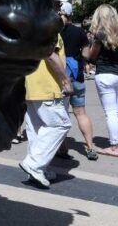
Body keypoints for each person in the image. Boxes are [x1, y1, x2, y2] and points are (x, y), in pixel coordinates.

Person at [19, 22, 74, 188]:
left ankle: (37, 169)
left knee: (37, 128)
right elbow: (50, 54)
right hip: (47, 85)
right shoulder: (49, 27)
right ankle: (35, 164)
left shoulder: (29, 27)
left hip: (31, 84)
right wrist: (66, 81)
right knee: (60, 125)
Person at [83, 4, 118, 158]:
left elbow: (92, 56)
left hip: (105, 74)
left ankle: (114, 146)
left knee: (110, 112)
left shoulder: (100, 34)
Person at [57, 2, 99, 161]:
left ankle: (62, 148)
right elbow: (87, 55)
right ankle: (90, 147)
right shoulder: (80, 32)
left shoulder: (54, 31)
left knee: (60, 114)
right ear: (71, 15)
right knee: (81, 113)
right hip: (77, 77)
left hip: (60, 78)